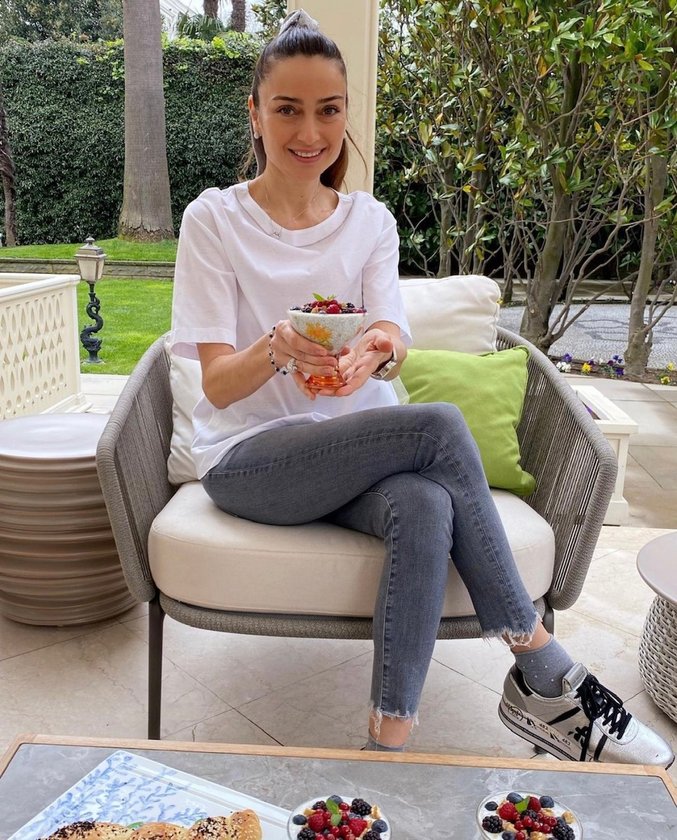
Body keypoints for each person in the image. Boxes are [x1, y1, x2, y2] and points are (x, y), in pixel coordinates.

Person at [170, 10, 673, 767]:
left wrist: (377, 352)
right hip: (251, 460)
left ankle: (387, 748)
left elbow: (392, 337)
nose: (309, 131)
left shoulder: (369, 221)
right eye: (287, 109)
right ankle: (542, 665)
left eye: (329, 110)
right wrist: (275, 349)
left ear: (346, 113)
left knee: (425, 502)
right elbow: (214, 383)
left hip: (353, 457)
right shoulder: (214, 219)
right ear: (256, 113)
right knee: (435, 426)